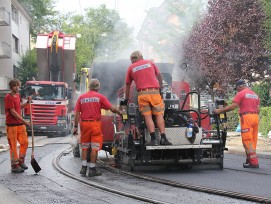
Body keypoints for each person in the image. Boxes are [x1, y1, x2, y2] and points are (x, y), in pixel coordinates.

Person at [72, 79, 122, 177]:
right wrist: (120, 112)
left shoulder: (81, 97)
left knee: (85, 146)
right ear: (98, 87)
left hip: (84, 125)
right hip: (95, 125)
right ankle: (92, 169)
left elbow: (77, 113)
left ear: (89, 87)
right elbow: (111, 108)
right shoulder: (100, 97)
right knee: (94, 147)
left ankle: (83, 168)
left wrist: (75, 126)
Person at [124, 51, 172, 146]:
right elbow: (159, 75)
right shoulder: (150, 63)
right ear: (141, 57)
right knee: (159, 115)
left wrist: (126, 98)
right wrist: (161, 87)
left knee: (147, 116)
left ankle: (153, 139)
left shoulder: (131, 68)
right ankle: (163, 138)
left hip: (142, 94)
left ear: (132, 59)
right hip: (154, 92)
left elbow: (127, 84)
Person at [213, 79, 260, 168]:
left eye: (237, 88)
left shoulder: (241, 93)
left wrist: (220, 110)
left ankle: (254, 162)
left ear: (240, 86)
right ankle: (249, 160)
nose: (237, 90)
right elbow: (258, 110)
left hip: (246, 118)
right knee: (253, 140)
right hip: (255, 117)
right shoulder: (255, 95)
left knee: (247, 140)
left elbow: (233, 106)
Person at [5, 79, 31, 173]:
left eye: (18, 86)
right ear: (11, 87)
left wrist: (27, 103)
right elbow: (13, 111)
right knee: (13, 146)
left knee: (25, 142)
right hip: (11, 125)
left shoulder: (18, 96)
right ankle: (14, 165)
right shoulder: (8, 97)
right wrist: (24, 121)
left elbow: (19, 107)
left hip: (19, 124)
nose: (17, 87)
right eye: (15, 86)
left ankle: (21, 161)